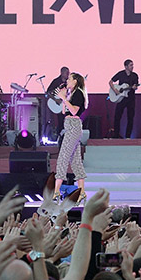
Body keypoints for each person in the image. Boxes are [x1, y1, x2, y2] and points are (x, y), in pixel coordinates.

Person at [52, 72, 88, 202]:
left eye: (69, 79)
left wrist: (65, 98)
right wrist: (63, 97)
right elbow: (64, 111)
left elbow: (74, 111)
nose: (67, 81)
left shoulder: (78, 93)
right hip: (69, 126)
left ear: (75, 81)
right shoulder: (71, 93)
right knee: (75, 160)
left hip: (73, 126)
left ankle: (56, 191)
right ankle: (82, 191)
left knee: (63, 157)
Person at [109, 59, 139, 139]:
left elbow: (135, 87)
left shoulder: (135, 75)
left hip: (131, 98)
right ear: (126, 66)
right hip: (121, 98)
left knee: (130, 117)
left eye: (132, 65)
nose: (132, 67)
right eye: (130, 65)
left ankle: (128, 136)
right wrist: (115, 90)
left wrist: (134, 87)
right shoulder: (120, 74)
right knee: (117, 117)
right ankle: (116, 135)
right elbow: (110, 82)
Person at [46, 66, 70, 141]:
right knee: (60, 121)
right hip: (59, 104)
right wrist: (55, 100)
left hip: (66, 105)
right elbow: (48, 92)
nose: (68, 75)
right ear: (62, 73)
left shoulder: (68, 82)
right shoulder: (56, 82)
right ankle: (60, 138)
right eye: (67, 73)